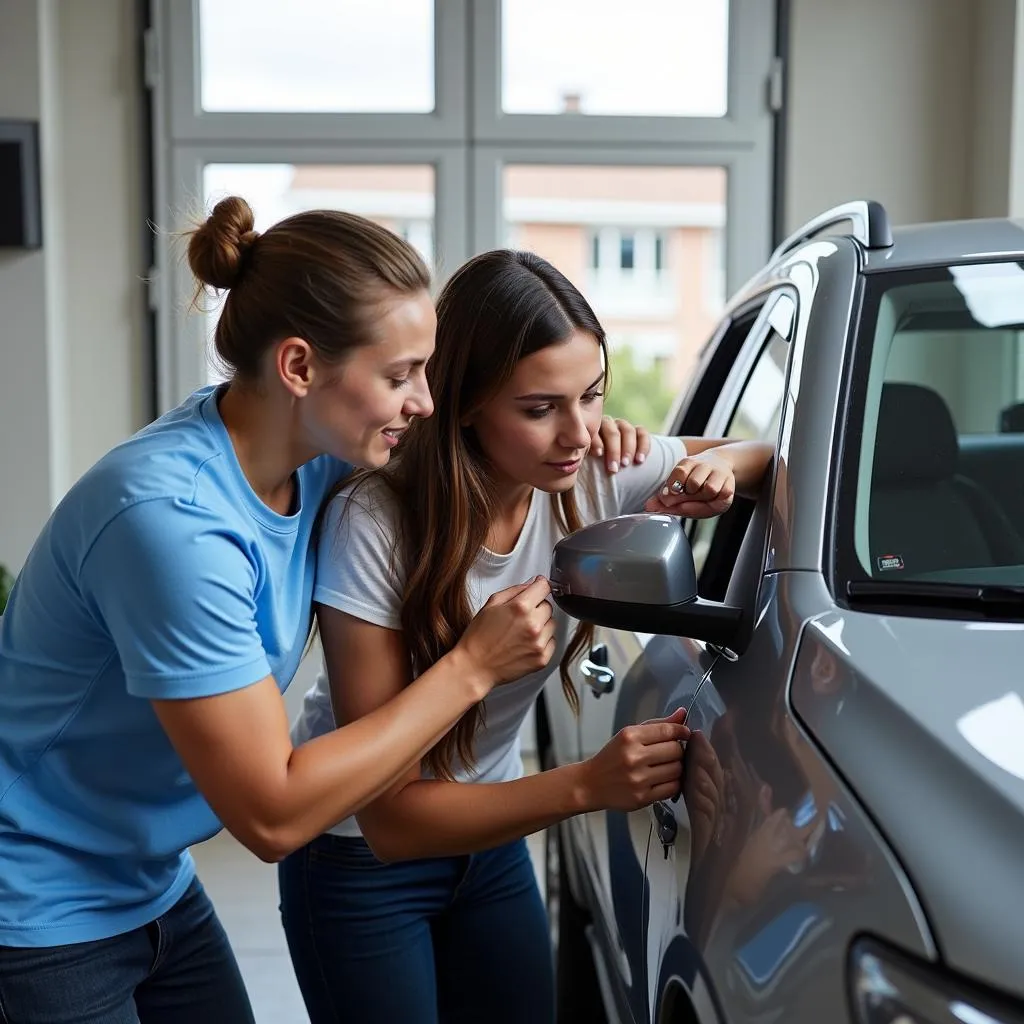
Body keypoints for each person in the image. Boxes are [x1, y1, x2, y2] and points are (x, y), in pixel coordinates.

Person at [0, 201, 619, 1024]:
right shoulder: (173, 524)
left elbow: (471, 458)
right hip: (34, 897)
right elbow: (273, 814)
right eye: (400, 376)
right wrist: (470, 669)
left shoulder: (312, 463)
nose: (426, 402)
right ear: (298, 366)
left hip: (146, 876)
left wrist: (604, 437)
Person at [279, 249, 775, 1024]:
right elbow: (390, 820)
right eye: (540, 408)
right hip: (359, 861)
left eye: (592, 396)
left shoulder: (592, 473)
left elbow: (770, 458)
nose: (576, 433)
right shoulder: (373, 521)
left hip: (494, 846)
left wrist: (719, 474)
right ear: (464, 401)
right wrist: (588, 786)